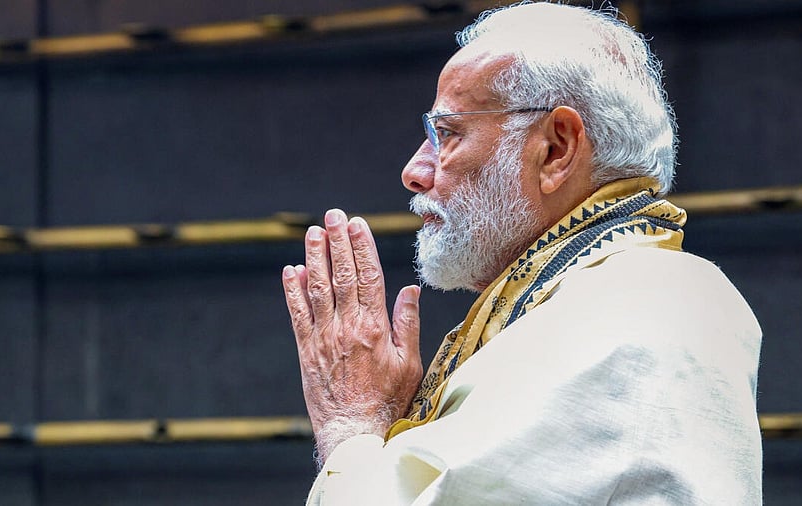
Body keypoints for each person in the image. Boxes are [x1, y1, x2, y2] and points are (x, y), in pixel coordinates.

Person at [281, 2, 762, 504]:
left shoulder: (642, 303)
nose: (415, 171)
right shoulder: (599, 294)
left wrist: (352, 423)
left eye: (446, 134)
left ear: (556, 149)